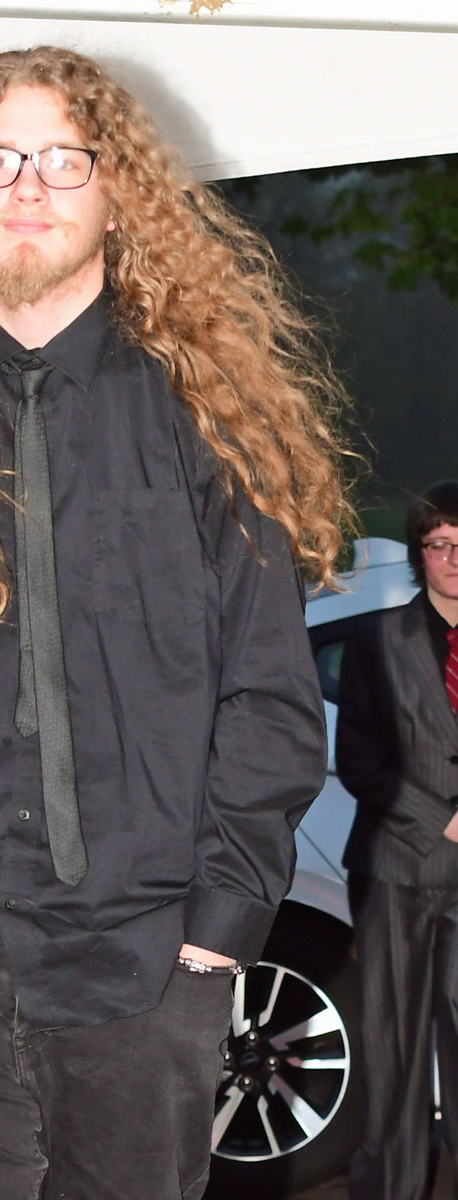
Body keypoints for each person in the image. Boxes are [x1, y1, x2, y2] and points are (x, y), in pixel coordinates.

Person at [0, 46, 353, 1200]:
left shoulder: (211, 420)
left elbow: (267, 695)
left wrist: (217, 931)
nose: (28, 186)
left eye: (60, 156)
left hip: (146, 956)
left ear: (115, 189)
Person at [336, 480, 458, 1200]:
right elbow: (359, 760)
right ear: (421, 555)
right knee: (396, 1057)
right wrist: (440, 818)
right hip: (396, 870)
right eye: (439, 546)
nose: (452, 560)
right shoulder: (376, 640)